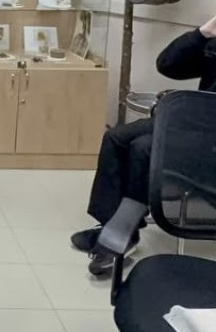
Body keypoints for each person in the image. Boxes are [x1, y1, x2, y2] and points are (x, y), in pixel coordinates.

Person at [72, 17, 216, 276]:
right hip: (195, 122)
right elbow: (168, 65)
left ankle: (120, 236)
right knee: (116, 137)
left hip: (210, 137)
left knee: (144, 149)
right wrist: (204, 33)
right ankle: (110, 223)